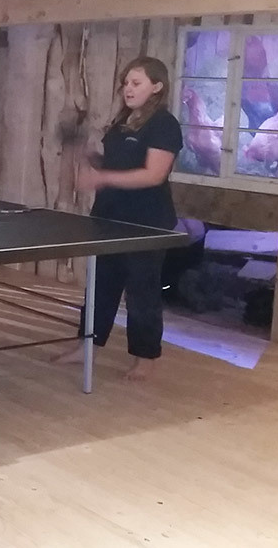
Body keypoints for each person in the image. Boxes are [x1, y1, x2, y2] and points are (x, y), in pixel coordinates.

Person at [53, 57, 183, 381]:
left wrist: (102, 178)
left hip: (146, 222)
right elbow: (116, 163)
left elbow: (153, 175)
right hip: (110, 216)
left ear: (157, 87)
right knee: (100, 287)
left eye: (136, 83)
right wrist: (89, 156)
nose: (128, 89)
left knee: (142, 291)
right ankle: (87, 347)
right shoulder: (124, 121)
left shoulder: (164, 125)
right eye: (126, 83)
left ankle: (146, 358)